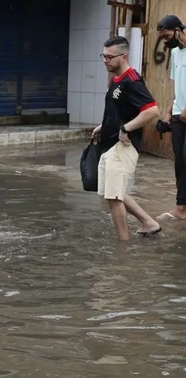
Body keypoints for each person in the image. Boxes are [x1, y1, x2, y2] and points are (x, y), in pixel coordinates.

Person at [91, 36, 161, 240]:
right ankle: (149, 223)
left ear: (124, 57)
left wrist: (126, 128)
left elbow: (152, 110)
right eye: (103, 56)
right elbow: (122, 110)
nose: (105, 61)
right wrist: (104, 126)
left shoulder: (132, 81)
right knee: (112, 193)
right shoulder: (116, 79)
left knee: (114, 197)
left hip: (123, 146)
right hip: (110, 143)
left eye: (109, 57)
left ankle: (123, 245)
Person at [156, 15, 186, 221]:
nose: (165, 41)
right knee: (180, 162)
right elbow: (178, 87)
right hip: (178, 115)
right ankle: (182, 208)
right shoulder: (175, 53)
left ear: (177, 29)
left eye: (166, 36)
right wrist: (168, 112)